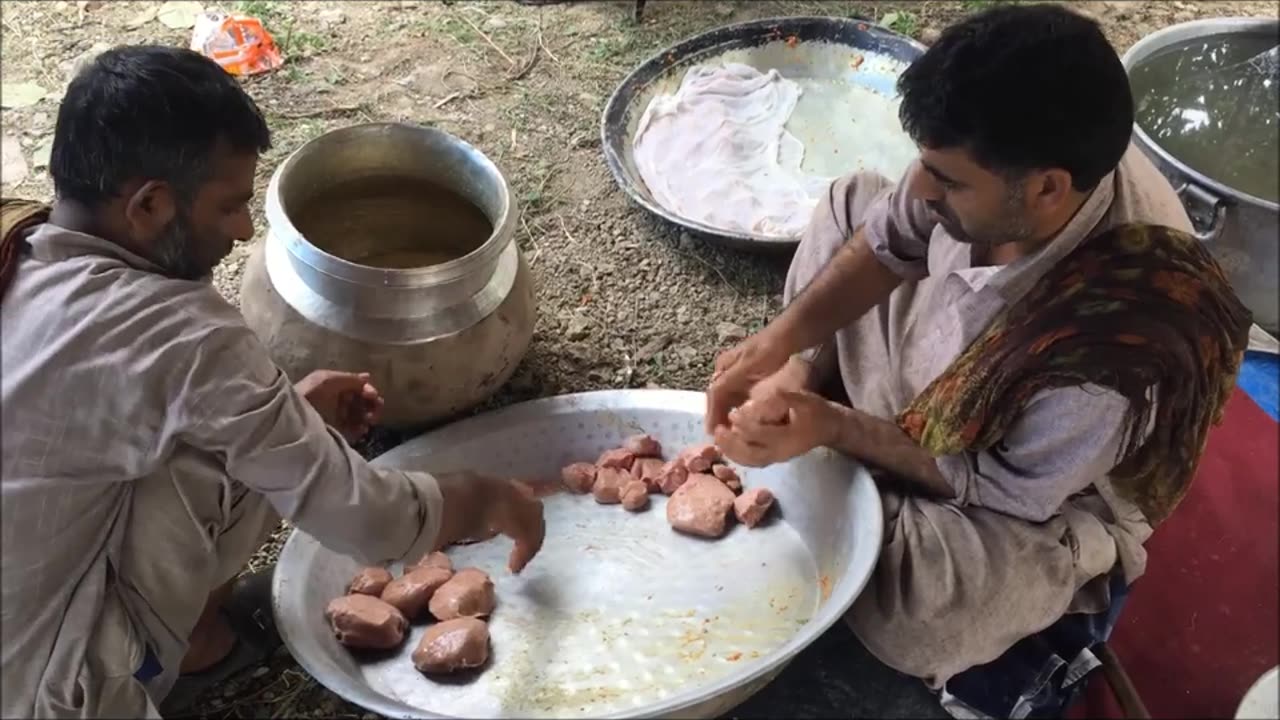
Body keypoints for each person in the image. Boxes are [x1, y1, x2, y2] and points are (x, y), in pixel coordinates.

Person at [706, 5, 1251, 717]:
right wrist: (782, 344)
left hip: (1019, 484)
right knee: (849, 207)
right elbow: (887, 238)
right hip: (950, 372)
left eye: (948, 180)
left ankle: (849, 468)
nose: (924, 188)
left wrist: (838, 430)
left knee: (936, 607)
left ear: (1049, 189)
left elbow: (1007, 491)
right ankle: (831, 428)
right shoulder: (1003, 161)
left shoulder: (1120, 348)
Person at [0, 46, 546, 719]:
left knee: (213, 442)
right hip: (49, 690)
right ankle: (137, 672)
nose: (243, 229)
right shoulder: (180, 335)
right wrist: (483, 496)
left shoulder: (16, 246)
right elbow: (369, 519)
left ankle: (200, 638)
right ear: (148, 205)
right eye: (228, 207)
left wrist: (291, 417)